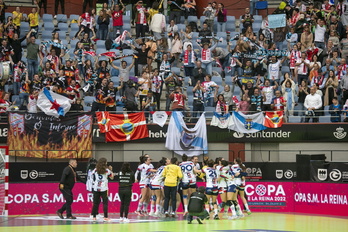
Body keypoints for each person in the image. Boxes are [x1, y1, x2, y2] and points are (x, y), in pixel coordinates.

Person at [91, 158, 114, 222]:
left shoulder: (95, 170)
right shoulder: (106, 170)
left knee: (95, 203)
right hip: (104, 188)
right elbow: (112, 177)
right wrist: (111, 170)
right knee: (105, 203)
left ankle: (94, 217)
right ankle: (105, 217)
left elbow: (92, 176)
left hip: (96, 187)